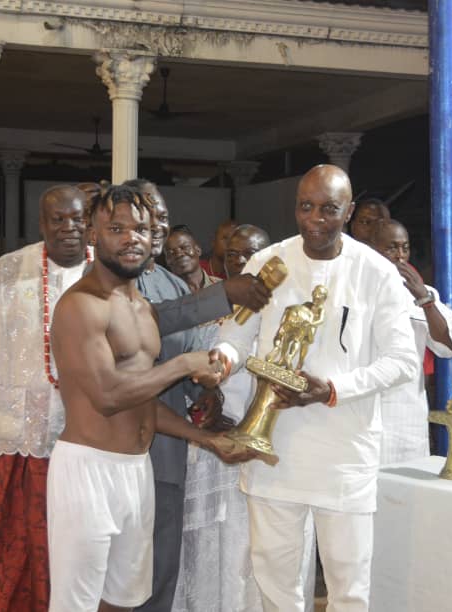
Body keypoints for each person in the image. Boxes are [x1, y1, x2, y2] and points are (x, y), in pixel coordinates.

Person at [209, 164, 421, 611]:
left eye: (328, 209)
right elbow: (236, 334)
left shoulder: (376, 272)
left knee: (349, 584)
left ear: (348, 213)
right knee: (274, 577)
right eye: (306, 207)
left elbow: (402, 361)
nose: (315, 220)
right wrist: (222, 361)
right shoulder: (270, 262)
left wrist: (331, 389)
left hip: (344, 452)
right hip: (273, 446)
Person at [46, 184, 250, 611]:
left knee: (125, 601)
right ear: (92, 234)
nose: (131, 238)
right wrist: (182, 365)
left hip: (137, 470)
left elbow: (144, 404)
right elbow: (107, 396)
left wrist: (206, 439)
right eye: (116, 228)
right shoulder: (81, 306)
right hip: (89, 471)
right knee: (76, 603)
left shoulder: (140, 307)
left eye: (140, 228)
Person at [121, 179, 272, 612]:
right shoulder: (111, 284)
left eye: (162, 218)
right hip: (117, 445)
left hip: (168, 444)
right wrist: (222, 294)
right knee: (118, 571)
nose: (154, 227)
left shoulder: (171, 282)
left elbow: (192, 349)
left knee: (164, 563)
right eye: (144, 217)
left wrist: (208, 396)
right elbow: (152, 323)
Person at [0, 185, 93, 611]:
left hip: (86, 440)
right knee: (10, 553)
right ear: (41, 223)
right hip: (15, 437)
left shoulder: (108, 272)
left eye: (78, 218)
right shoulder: (7, 271)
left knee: (75, 551)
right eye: (58, 219)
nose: (69, 228)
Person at [171, 225, 273, 612]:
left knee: (254, 541)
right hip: (212, 445)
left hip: (264, 445)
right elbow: (182, 370)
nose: (243, 262)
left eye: (252, 254)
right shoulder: (205, 306)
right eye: (233, 255)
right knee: (211, 538)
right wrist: (204, 397)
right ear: (220, 259)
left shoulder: (285, 309)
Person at [371, 219, 452, 462]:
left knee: (406, 491)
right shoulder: (352, 289)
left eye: (405, 247)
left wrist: (425, 300)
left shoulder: (426, 292)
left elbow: (449, 345)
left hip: (407, 415)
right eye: (391, 248)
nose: (400, 256)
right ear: (372, 250)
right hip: (365, 410)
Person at [166, 225, 222, 294]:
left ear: (198, 250)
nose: (179, 254)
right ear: (167, 261)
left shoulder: (221, 287)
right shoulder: (165, 294)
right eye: (171, 252)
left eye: (185, 247)